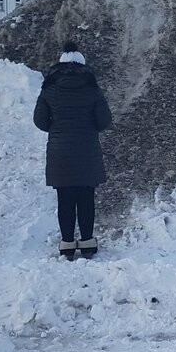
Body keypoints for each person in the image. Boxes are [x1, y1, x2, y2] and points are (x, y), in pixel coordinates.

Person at [32, 42, 112, 260]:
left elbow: (39, 120)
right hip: (87, 151)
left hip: (60, 153)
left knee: (65, 199)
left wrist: (56, 129)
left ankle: (67, 244)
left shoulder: (49, 88)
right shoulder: (92, 88)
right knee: (86, 198)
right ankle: (86, 243)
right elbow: (104, 120)